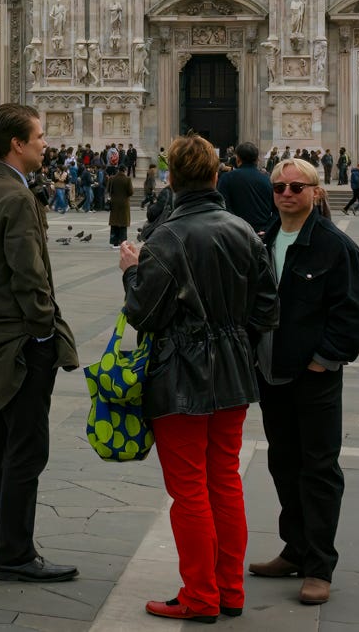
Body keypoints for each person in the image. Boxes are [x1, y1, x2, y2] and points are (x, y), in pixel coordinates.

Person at [119, 135, 279, 623]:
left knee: (189, 490)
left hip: (179, 377)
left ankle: (199, 596)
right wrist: (233, 340)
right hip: (232, 375)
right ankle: (229, 592)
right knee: (225, 482)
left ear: (171, 179)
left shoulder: (167, 237)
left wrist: (131, 271)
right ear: (216, 176)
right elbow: (268, 310)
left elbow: (143, 314)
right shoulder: (245, 232)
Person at [0, 103, 80, 584]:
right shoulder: (16, 198)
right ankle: (15, 553)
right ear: (17, 143)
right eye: (40, 136)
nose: (45, 143)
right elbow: (29, 275)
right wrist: (45, 330)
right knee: (27, 448)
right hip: (19, 340)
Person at [251, 157, 359, 607]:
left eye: (296, 187)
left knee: (319, 469)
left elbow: (352, 315)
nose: (286, 193)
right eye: (280, 186)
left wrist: (324, 360)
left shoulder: (334, 246)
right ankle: (294, 548)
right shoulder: (263, 239)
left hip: (314, 378)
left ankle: (319, 566)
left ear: (315, 192)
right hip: (272, 372)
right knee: (283, 463)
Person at [217, 141, 275, 234]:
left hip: (235, 232)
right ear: (257, 160)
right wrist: (267, 229)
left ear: (238, 159)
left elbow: (222, 207)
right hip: (261, 233)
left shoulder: (227, 178)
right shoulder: (268, 180)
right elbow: (276, 211)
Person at [107, 166, 132, 246]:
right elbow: (130, 192)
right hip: (124, 203)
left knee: (114, 223)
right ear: (124, 170)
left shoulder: (112, 178)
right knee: (123, 224)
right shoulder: (127, 179)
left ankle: (114, 242)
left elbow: (108, 189)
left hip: (114, 203)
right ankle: (123, 242)